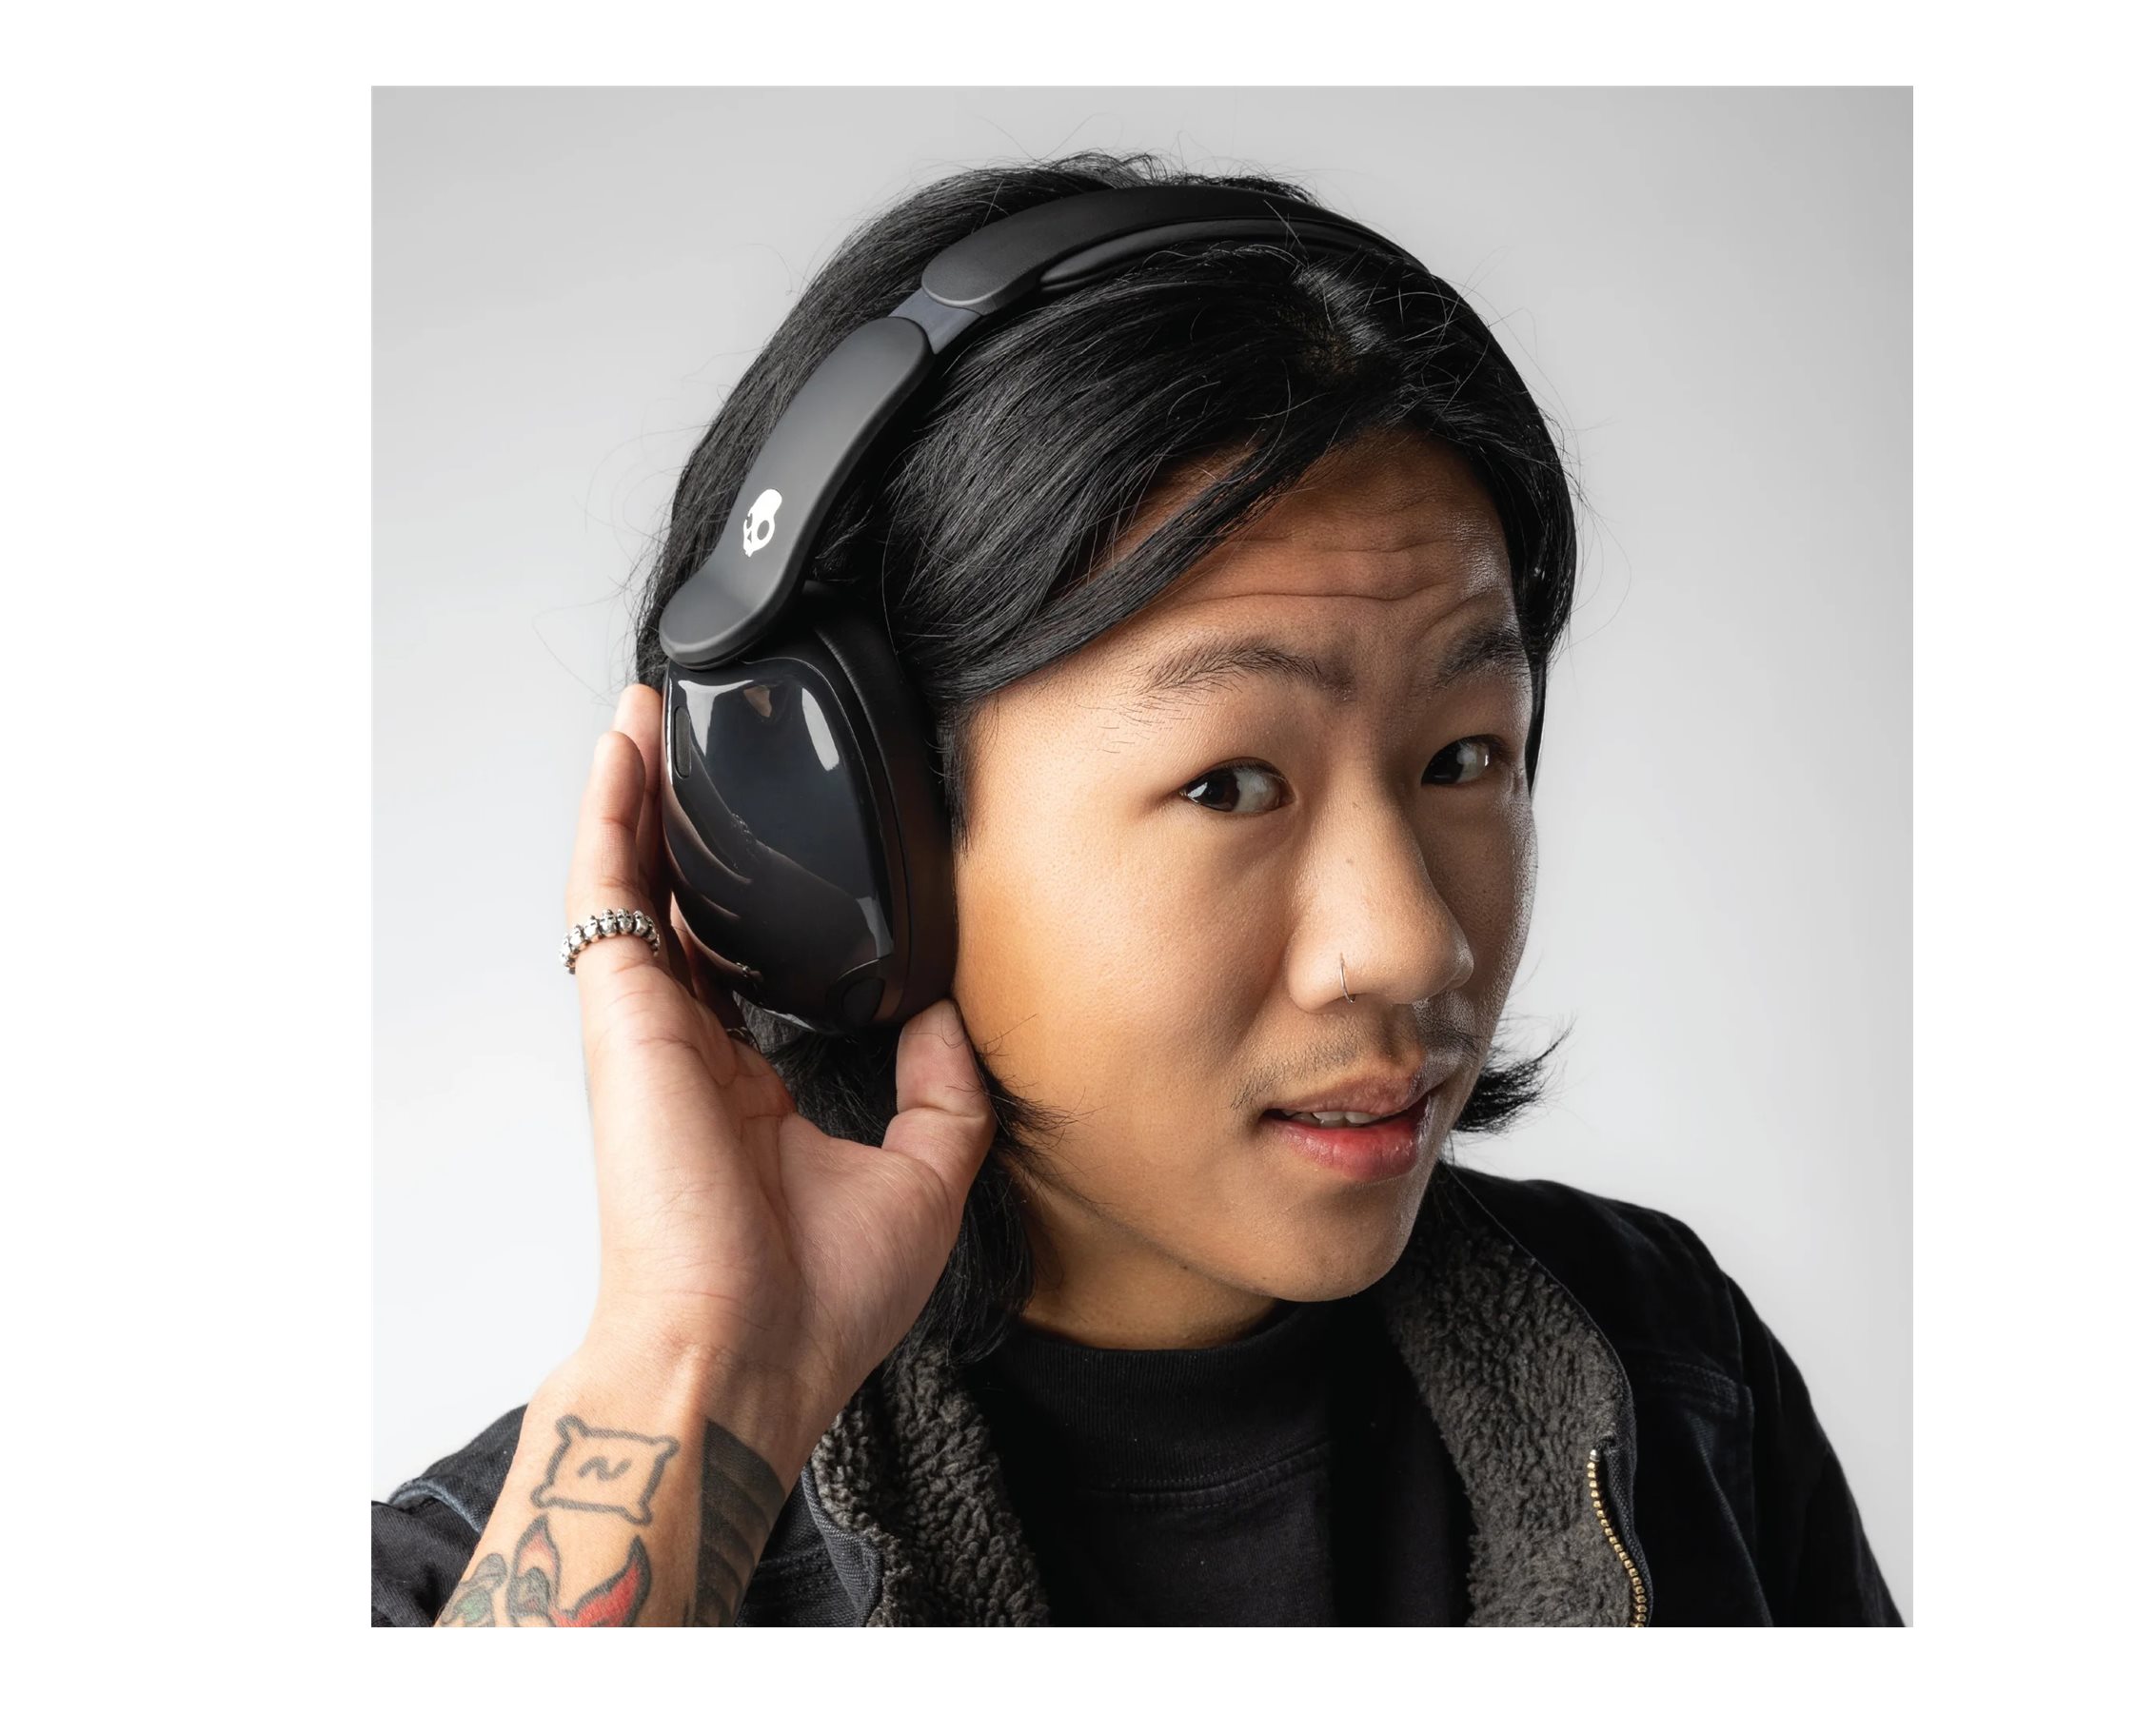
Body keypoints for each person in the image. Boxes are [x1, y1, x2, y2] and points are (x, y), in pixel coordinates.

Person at [371, 151, 1901, 1627]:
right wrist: (699, 1376)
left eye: (1462, 758)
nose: (1411, 943)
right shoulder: (456, 1599)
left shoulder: (1677, 1377)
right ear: (843, 846)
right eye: (1230, 783)